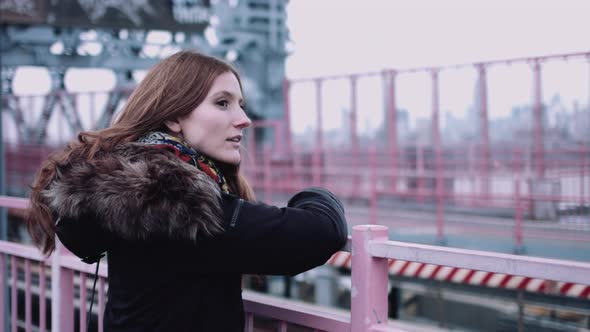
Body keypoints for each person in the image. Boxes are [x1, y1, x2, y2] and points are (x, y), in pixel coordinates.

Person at [25, 50, 348, 331]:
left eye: (240, 105)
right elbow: (317, 233)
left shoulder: (132, 188)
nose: (244, 119)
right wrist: (318, 196)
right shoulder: (171, 200)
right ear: (176, 116)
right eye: (223, 103)